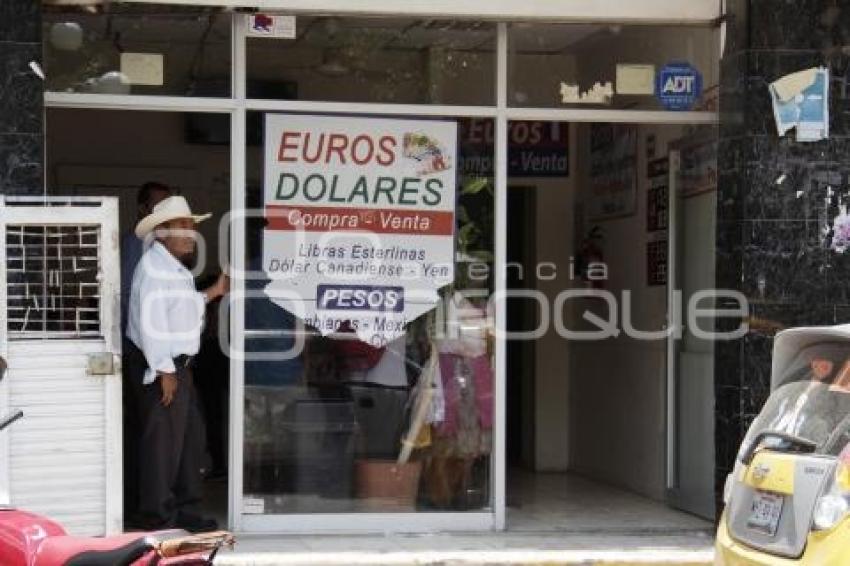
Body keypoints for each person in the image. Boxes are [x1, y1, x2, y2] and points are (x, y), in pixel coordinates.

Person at [126, 195, 228, 532]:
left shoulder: (172, 267)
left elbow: (180, 311)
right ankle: (158, 514)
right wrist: (165, 370)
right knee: (163, 447)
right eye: (183, 226)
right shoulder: (155, 268)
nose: (190, 233)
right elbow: (149, 323)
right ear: (162, 232)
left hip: (176, 366)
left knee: (188, 442)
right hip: (161, 366)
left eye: (191, 226)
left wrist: (213, 292)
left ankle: (182, 508)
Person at [122, 182, 171, 525]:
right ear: (142, 210)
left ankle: (155, 507)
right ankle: (144, 509)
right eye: (158, 208)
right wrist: (161, 364)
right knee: (145, 433)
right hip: (140, 353)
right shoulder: (136, 249)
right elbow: (134, 305)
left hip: (156, 354)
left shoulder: (168, 254)